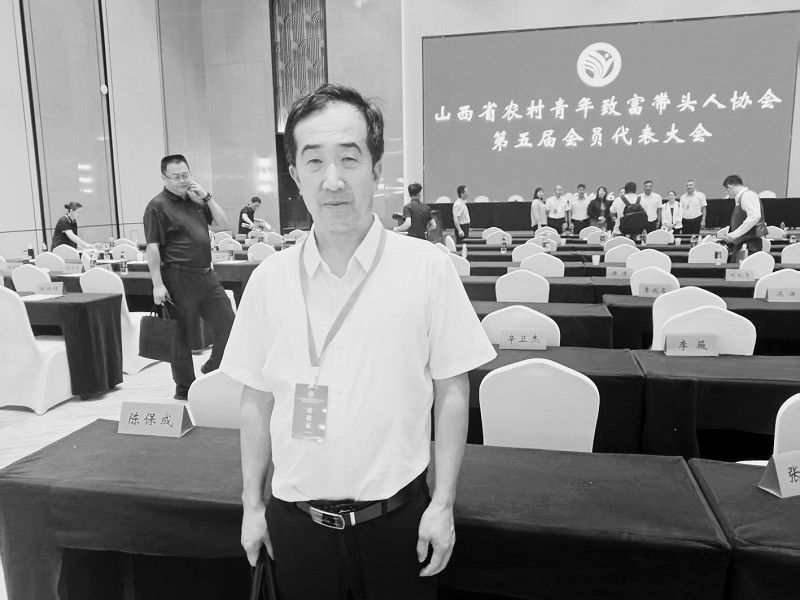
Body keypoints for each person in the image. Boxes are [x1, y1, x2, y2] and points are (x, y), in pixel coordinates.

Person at [221, 84, 496, 600]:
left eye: (349, 158)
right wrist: (252, 505)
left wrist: (443, 503)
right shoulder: (269, 280)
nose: (333, 180)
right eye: (314, 161)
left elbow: (452, 391)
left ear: (376, 168)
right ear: (294, 174)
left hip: (398, 524)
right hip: (296, 526)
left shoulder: (427, 269)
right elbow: (256, 399)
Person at [143, 154, 236, 400]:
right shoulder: (157, 206)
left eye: (186, 175)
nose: (182, 180)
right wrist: (157, 284)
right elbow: (152, 248)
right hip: (177, 276)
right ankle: (184, 388)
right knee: (180, 335)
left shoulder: (196, 201)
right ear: (164, 178)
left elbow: (223, 224)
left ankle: (213, 367)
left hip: (206, 275)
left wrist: (206, 197)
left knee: (228, 323)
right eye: (176, 176)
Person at [722, 174, 768, 261]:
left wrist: (736, 233)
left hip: (750, 243)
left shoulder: (748, 195)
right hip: (742, 242)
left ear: (729, 187)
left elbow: (755, 216)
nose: (726, 193)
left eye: (726, 190)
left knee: (746, 267)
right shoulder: (741, 197)